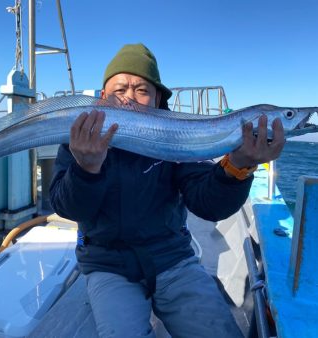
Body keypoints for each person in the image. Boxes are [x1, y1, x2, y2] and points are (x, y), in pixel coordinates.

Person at [49, 44, 285, 338]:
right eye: (119, 89)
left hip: (172, 258)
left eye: (141, 90)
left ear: (158, 99)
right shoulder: (80, 139)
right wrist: (86, 168)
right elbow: (67, 207)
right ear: (102, 98)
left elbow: (207, 204)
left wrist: (238, 166)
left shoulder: (179, 136)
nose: (129, 99)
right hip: (107, 263)